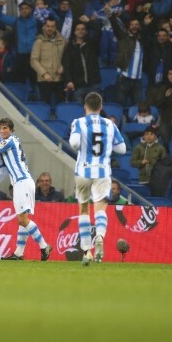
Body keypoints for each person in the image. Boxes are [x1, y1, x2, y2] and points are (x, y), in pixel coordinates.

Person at [0, 118, 52, 261]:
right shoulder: (10, 141)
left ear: (11, 130)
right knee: (22, 219)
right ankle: (19, 253)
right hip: (21, 182)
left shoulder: (9, 141)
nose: (2, 131)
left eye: (5, 128)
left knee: (22, 219)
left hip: (22, 182)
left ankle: (44, 246)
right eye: (0, 128)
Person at [69, 92, 127, 265]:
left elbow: (73, 144)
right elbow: (122, 149)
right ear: (101, 107)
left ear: (85, 107)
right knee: (100, 209)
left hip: (83, 172)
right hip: (102, 172)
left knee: (84, 210)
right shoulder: (110, 124)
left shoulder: (78, 122)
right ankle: (100, 236)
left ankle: (87, 251)